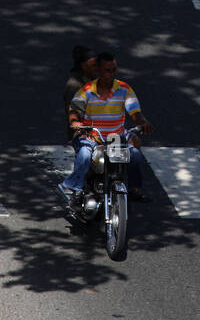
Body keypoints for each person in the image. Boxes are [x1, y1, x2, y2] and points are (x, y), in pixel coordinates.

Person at [61, 52, 154, 206]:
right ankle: (75, 188)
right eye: (107, 71)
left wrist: (143, 122)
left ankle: (134, 190)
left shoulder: (124, 89)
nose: (112, 74)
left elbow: (135, 113)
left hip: (115, 137)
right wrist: (76, 122)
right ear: (98, 71)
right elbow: (74, 111)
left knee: (135, 155)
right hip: (91, 137)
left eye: (114, 70)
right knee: (84, 155)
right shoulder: (87, 90)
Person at [63, 46, 98, 144]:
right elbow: (71, 112)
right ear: (83, 65)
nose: (97, 68)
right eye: (94, 65)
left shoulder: (95, 79)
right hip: (83, 135)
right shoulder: (74, 85)